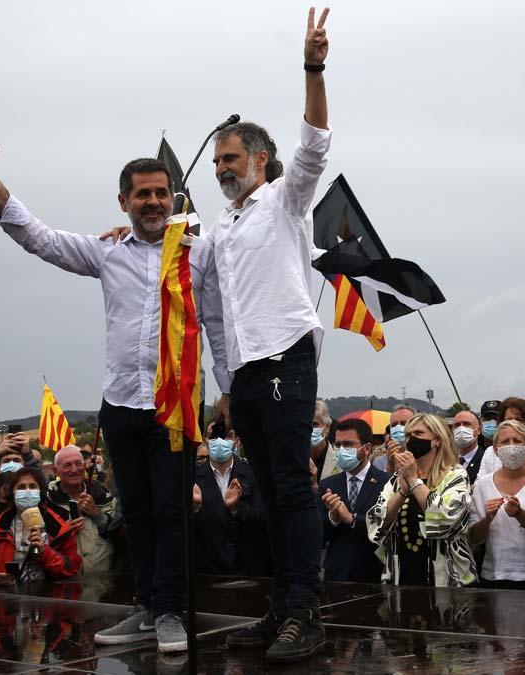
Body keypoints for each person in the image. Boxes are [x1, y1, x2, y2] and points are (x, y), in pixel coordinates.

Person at [0, 92, 200, 650]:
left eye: (160, 193)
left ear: (174, 198)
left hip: (175, 405)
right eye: (141, 194)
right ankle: (145, 607)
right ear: (123, 201)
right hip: (121, 405)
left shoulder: (197, 251)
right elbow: (40, 239)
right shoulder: (106, 252)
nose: (152, 202)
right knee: (137, 513)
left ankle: (171, 613)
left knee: (171, 514)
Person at [198, 9, 334, 662]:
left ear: (258, 159)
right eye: (219, 160)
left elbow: (314, 144)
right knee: (268, 496)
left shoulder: (284, 198)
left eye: (232, 157)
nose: (223, 167)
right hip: (246, 375)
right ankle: (282, 604)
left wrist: (312, 68)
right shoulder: (220, 229)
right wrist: (225, 382)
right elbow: (212, 315)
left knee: (291, 485)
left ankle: (306, 610)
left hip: (287, 355)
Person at [367, 413, 475, 587]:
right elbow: (376, 523)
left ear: (437, 440)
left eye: (418, 434)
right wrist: (402, 491)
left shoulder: (455, 475)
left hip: (446, 580)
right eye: (408, 435)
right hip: (402, 576)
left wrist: (414, 482)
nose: (411, 439)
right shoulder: (397, 479)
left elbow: (446, 518)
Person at [469, 420, 525, 590]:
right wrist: (487, 519)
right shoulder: (483, 485)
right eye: (505, 442)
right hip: (496, 576)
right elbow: (474, 538)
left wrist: (521, 515)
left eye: (517, 441)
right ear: (495, 449)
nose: (511, 446)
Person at [0, 466, 82, 585]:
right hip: (6, 595)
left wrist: (44, 552)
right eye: (21, 487)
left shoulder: (59, 527)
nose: (27, 491)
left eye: (32, 486)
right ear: (11, 492)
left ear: (41, 492)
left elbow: (71, 568)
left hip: (45, 597)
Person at [319, 418, 390, 583]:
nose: (342, 450)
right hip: (337, 575)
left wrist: (352, 519)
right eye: (338, 445)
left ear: (366, 449)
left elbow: (385, 528)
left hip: (374, 573)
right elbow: (318, 537)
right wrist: (333, 518)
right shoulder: (328, 484)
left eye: (349, 445)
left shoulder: (387, 482)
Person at [191, 433, 269, 576]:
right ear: (206, 440)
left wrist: (236, 508)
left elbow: (264, 519)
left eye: (227, 436)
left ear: (236, 440)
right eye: (214, 436)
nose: (220, 442)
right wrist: (196, 508)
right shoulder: (193, 476)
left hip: (247, 568)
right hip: (206, 569)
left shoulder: (253, 473)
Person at [48, 447, 121, 574]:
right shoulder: (46, 503)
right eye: (67, 465)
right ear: (55, 471)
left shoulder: (104, 496)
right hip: (63, 583)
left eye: (78, 463)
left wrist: (97, 514)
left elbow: (120, 536)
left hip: (104, 581)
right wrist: (63, 533)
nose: (74, 469)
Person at [372, 404, 416, 472]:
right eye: (394, 425)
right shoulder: (379, 462)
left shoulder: (423, 457)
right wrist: (390, 467)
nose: (398, 427)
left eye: (403, 423)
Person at [309, 400, 341, 487]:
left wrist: (315, 488)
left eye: (314, 424)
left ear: (327, 427)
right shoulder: (293, 459)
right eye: (306, 425)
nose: (310, 429)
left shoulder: (341, 461)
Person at [450, 410, 487, 484]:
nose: (461, 429)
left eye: (466, 424)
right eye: (457, 425)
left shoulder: (485, 460)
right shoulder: (446, 461)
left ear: (479, 430)